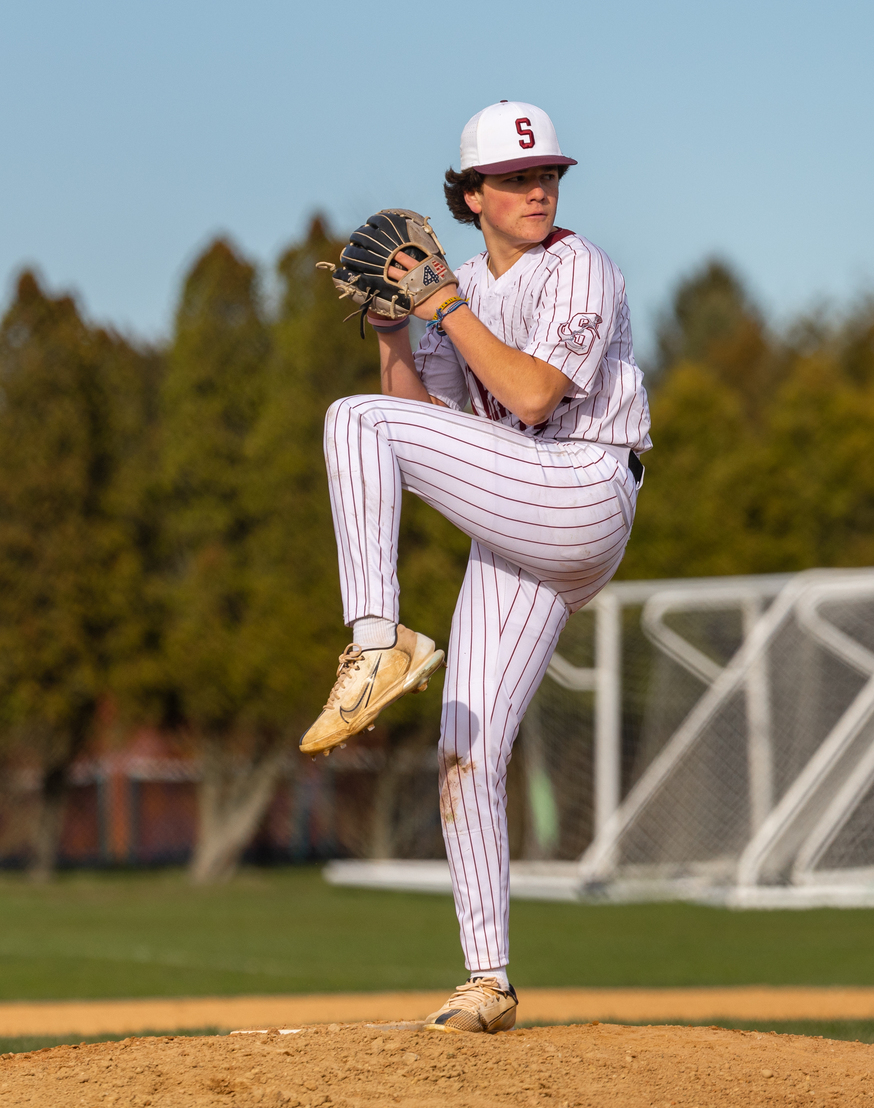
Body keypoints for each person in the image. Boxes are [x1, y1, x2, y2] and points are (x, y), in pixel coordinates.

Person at [301, 101, 650, 1034]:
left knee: (351, 422)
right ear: (470, 196)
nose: (538, 190)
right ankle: (485, 979)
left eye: (548, 176)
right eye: (515, 179)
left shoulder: (580, 268)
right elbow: (430, 423)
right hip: (519, 522)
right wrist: (390, 327)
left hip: (582, 486)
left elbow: (533, 395)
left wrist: (441, 305)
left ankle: (377, 642)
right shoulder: (453, 291)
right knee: (465, 745)